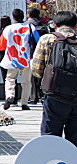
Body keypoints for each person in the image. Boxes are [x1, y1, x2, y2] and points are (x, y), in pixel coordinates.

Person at [31, 10, 77, 146]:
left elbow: (36, 69)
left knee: (50, 137)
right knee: (74, 140)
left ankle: (51, 159)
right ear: (75, 25)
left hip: (54, 95)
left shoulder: (47, 39)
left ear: (55, 25)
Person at [0, 9, 37, 111]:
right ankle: (24, 103)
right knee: (26, 82)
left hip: (12, 58)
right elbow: (37, 40)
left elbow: (1, 45)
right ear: (23, 16)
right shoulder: (31, 27)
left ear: (13, 17)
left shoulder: (8, 28)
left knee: (10, 78)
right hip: (27, 58)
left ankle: (10, 96)